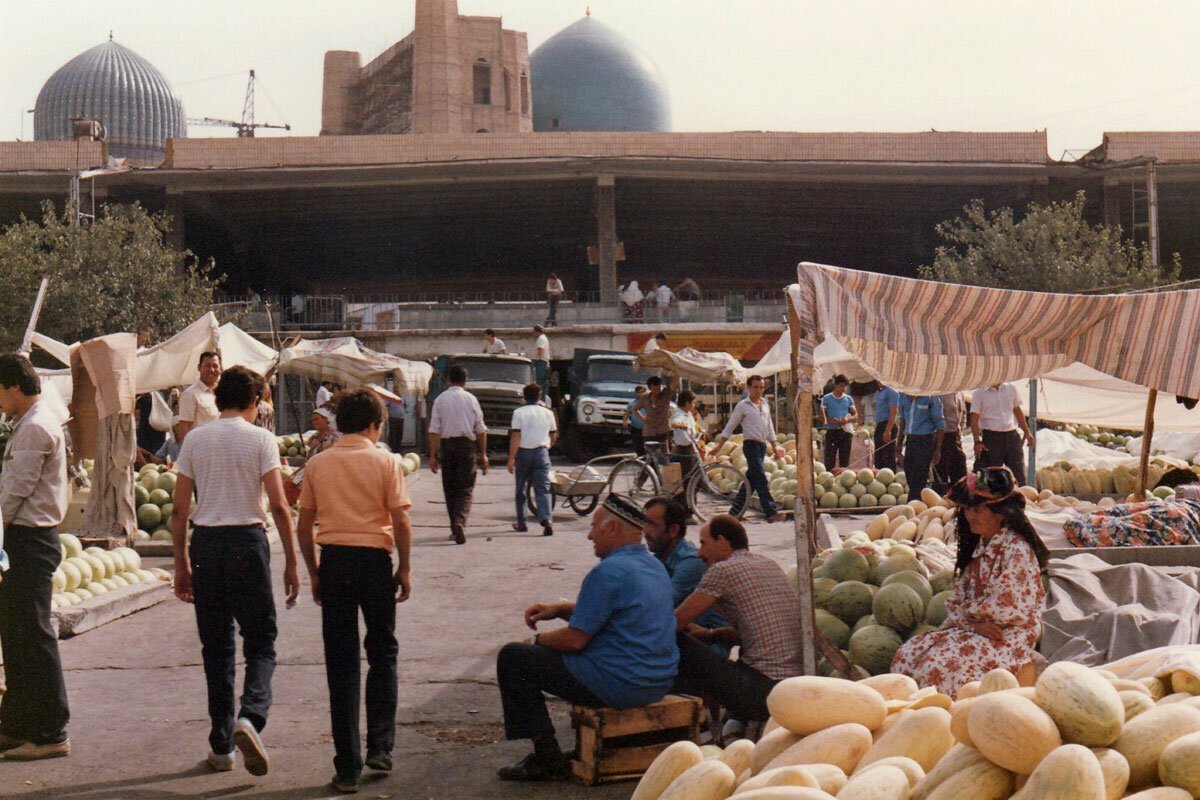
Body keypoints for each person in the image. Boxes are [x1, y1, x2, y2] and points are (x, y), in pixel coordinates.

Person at [170, 365, 300, 777]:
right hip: (247, 541)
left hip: (206, 543)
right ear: (255, 402)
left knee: (217, 647)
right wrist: (293, 562)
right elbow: (279, 506)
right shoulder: (261, 438)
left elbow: (177, 509)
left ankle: (222, 745)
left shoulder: (194, 439)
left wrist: (181, 563)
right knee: (261, 641)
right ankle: (251, 717)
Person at [494, 495, 678, 781]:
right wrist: (561, 609)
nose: (590, 535)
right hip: (657, 680)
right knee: (560, 653)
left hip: (621, 684)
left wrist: (536, 642)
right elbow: (613, 615)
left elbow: (575, 640)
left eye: (594, 527)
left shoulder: (608, 572)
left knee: (514, 657)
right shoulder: (655, 567)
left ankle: (546, 756)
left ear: (612, 529)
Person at [295, 389, 413, 794]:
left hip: (335, 563)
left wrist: (313, 572)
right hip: (375, 563)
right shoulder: (386, 461)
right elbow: (401, 522)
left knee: (341, 663)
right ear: (372, 425)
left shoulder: (319, 463)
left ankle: (346, 767)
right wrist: (405, 569)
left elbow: (303, 525)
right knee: (382, 652)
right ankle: (380, 748)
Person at [891, 467, 1048, 695]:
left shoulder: (1016, 550)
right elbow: (957, 601)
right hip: (978, 630)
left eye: (977, 509)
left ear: (1001, 512)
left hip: (1008, 636)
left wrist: (972, 618)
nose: (970, 516)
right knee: (907, 653)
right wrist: (972, 622)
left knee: (940, 667)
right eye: (966, 509)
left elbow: (1008, 609)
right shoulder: (981, 546)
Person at [0, 354, 71, 761]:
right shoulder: (29, 423)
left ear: (13, 386)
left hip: (29, 540)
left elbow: (13, 493)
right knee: (17, 634)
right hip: (23, 539)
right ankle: (17, 724)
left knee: (33, 635)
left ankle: (50, 731)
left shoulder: (36, 428)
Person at [672, 514, 803, 725]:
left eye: (704, 544)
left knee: (679, 642)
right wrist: (710, 634)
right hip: (792, 685)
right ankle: (727, 727)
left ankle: (679, 723)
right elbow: (758, 636)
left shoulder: (722, 570)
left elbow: (674, 624)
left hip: (762, 690)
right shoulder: (769, 563)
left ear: (722, 541)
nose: (699, 553)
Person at [641, 497, 727, 635]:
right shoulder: (659, 558)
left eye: (652, 525)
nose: (645, 531)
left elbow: (659, 607)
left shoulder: (691, 563)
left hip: (707, 644)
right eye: (645, 523)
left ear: (673, 530)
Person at [428, 364, 488, 545]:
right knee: (466, 488)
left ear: (448, 380)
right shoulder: (471, 399)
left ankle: (455, 528)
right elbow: (480, 429)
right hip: (466, 446)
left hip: (447, 447)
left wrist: (432, 455)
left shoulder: (440, 399)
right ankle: (460, 522)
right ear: (465, 381)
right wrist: (483, 454)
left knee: (450, 487)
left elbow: (433, 430)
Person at [722, 375, 787, 523]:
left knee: (750, 481)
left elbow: (769, 427)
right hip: (750, 446)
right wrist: (719, 446)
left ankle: (734, 513)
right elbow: (730, 426)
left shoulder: (764, 404)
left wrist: (775, 446)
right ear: (749, 388)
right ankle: (771, 512)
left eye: (761, 387)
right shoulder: (743, 406)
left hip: (762, 446)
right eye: (755, 387)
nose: (759, 390)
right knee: (761, 478)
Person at [508, 383, 557, 537]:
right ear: (539, 396)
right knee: (542, 488)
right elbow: (554, 435)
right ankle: (546, 519)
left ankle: (522, 522)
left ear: (524, 396)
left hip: (523, 453)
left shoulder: (519, 412)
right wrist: (546, 447)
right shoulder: (547, 413)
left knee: (521, 488)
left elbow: (516, 436)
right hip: (542, 452)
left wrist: (511, 458)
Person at [971, 383, 1034, 484]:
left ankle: (1020, 496)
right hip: (992, 438)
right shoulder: (979, 392)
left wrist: (1027, 432)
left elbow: (1017, 410)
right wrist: (977, 441)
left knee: (1018, 474)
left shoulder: (1011, 388)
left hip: (1012, 436)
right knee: (991, 477)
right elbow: (974, 418)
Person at [903, 394, 946, 502]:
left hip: (926, 440)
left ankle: (913, 502)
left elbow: (940, 425)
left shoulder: (931, 397)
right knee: (909, 470)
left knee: (920, 473)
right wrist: (899, 444)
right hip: (910, 440)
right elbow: (903, 421)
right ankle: (919, 499)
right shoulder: (903, 397)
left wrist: (938, 449)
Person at [177, 351, 222, 443]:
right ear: (199, 367)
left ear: (220, 368)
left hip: (222, 447)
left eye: (215, 366)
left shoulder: (223, 392)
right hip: (201, 449)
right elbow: (184, 426)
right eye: (207, 366)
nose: (212, 370)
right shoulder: (190, 394)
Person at [820, 374, 857, 470]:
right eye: (841, 386)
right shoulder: (826, 398)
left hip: (845, 433)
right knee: (829, 460)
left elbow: (856, 416)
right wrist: (831, 420)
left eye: (845, 386)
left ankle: (843, 480)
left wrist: (847, 420)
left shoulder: (848, 399)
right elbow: (821, 416)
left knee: (844, 462)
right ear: (835, 385)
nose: (843, 388)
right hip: (832, 432)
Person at [933, 391, 969, 490]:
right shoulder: (938, 393)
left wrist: (961, 428)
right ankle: (941, 498)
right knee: (941, 470)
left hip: (955, 437)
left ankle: (959, 498)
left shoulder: (960, 393)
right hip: (942, 436)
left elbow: (964, 413)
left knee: (960, 468)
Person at [636, 374, 680, 445]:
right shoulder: (645, 398)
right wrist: (643, 419)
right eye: (654, 389)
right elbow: (634, 409)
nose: (657, 391)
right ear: (650, 388)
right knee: (650, 453)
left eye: (658, 389)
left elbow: (674, 383)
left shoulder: (665, 394)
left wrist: (677, 372)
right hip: (649, 432)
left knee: (664, 454)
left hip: (663, 431)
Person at [874, 383, 900, 472]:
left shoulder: (891, 391)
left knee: (888, 457)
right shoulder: (882, 391)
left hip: (887, 425)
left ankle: (891, 482)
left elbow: (894, 411)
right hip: (880, 425)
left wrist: (888, 430)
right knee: (879, 457)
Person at [622, 385, 648, 456]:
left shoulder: (649, 403)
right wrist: (625, 421)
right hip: (635, 428)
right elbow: (627, 413)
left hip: (647, 428)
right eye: (639, 392)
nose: (641, 394)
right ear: (636, 393)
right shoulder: (632, 403)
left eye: (643, 392)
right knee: (638, 446)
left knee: (647, 446)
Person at [532, 325, 550, 394]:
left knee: (538, 382)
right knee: (541, 383)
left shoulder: (541, 339)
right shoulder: (544, 338)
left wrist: (537, 359)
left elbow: (541, 350)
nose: (533, 334)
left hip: (540, 363)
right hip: (542, 362)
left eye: (533, 332)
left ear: (537, 332)